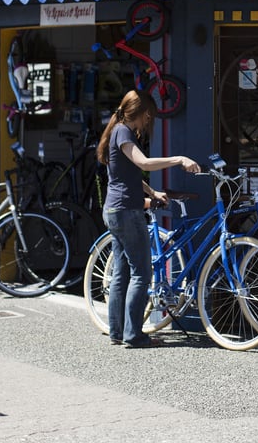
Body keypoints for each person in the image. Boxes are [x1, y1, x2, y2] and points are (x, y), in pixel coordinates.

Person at [97, 90, 199, 347]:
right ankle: (134, 334)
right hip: (126, 212)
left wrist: (152, 191)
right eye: (148, 117)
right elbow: (142, 162)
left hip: (116, 209)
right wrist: (179, 159)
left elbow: (126, 173)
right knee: (141, 273)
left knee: (121, 273)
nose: (148, 122)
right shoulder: (124, 132)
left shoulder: (118, 131)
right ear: (142, 113)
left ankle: (117, 332)